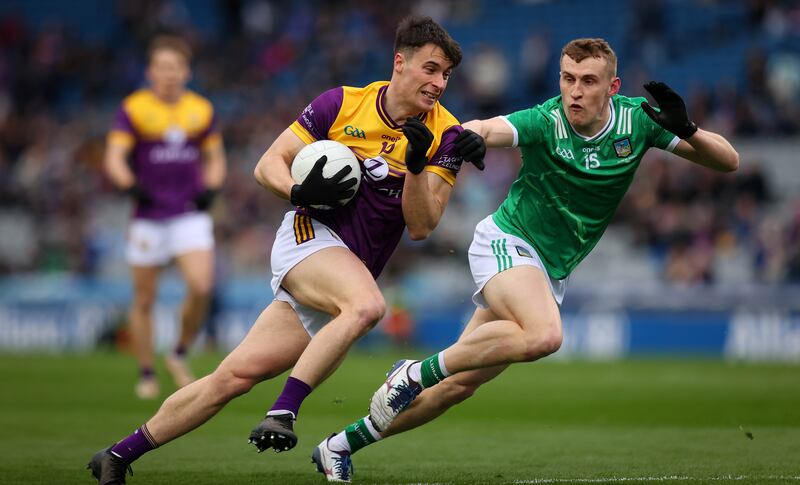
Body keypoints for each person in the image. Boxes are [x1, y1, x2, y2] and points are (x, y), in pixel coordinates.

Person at [313, 38, 739, 482]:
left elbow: (728, 162)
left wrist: (688, 129)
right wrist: (466, 139)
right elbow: (487, 127)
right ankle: (413, 372)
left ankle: (338, 446)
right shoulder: (547, 119)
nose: (574, 90)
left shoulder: (638, 121)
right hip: (506, 243)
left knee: (457, 387)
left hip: (545, 270)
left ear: (612, 87)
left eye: (588, 81)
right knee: (544, 335)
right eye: (567, 78)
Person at [87, 15, 485, 484]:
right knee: (366, 306)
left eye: (445, 75)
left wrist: (417, 166)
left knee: (231, 378)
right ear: (400, 62)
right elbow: (267, 164)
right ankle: (284, 411)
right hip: (308, 237)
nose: (439, 83)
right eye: (430, 69)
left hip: (348, 266)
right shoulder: (340, 104)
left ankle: (116, 455)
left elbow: (421, 225)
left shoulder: (447, 134)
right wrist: (298, 192)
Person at [104, 35, 227, 400]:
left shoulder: (201, 110)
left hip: (189, 213)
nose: (169, 74)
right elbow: (114, 156)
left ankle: (178, 352)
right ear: (150, 72)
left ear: (186, 72)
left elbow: (216, 158)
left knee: (202, 286)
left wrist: (212, 188)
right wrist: (130, 186)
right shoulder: (134, 109)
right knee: (144, 299)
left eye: (175, 67)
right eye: (162, 68)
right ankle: (146, 371)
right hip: (148, 216)